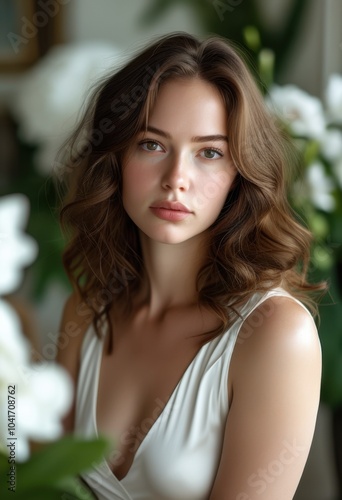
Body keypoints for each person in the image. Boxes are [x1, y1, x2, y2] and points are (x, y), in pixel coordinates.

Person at [56, 32, 325, 500]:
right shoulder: (87, 307)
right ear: (116, 157)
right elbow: (27, 477)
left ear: (240, 174)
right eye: (152, 144)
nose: (176, 180)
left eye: (210, 153)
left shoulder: (276, 333)